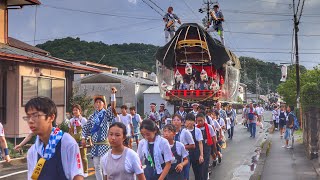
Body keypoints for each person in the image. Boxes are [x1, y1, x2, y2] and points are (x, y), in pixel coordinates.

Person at [25, 97, 84, 180]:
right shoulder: (33, 151)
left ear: (51, 117)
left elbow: (77, 175)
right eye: (28, 117)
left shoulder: (67, 143)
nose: (30, 121)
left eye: (35, 115)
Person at [82, 87, 117, 180]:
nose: (97, 104)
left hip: (105, 145)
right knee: (96, 166)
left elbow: (113, 108)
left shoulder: (106, 114)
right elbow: (86, 128)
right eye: (96, 102)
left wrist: (113, 94)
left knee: (105, 166)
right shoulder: (91, 116)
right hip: (95, 146)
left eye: (99, 102)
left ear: (103, 104)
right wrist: (83, 139)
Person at [172, 114, 195, 180]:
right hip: (173, 157)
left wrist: (182, 147)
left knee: (184, 176)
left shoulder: (185, 132)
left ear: (182, 122)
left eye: (178, 120)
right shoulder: (170, 132)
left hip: (184, 157)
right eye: (174, 120)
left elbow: (193, 145)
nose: (175, 122)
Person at [68, 104, 88, 177]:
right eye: (74, 110)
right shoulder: (71, 120)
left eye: (76, 110)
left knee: (83, 156)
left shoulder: (83, 120)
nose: (75, 111)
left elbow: (86, 131)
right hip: (74, 140)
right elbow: (70, 131)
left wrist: (85, 139)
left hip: (81, 140)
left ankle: (85, 171)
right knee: (75, 157)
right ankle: (77, 171)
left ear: (80, 111)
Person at [196, 113, 216, 180]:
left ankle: (205, 175)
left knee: (205, 163)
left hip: (207, 147)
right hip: (198, 148)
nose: (200, 122)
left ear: (204, 120)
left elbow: (213, 137)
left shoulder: (209, 127)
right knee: (199, 164)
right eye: (198, 121)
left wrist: (214, 147)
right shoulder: (195, 128)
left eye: (201, 120)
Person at [184, 113, 204, 180]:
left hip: (196, 154)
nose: (189, 122)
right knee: (185, 174)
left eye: (191, 120)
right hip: (186, 155)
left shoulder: (197, 130)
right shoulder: (183, 131)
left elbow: (200, 143)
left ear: (194, 121)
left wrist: (201, 155)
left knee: (198, 173)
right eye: (188, 120)